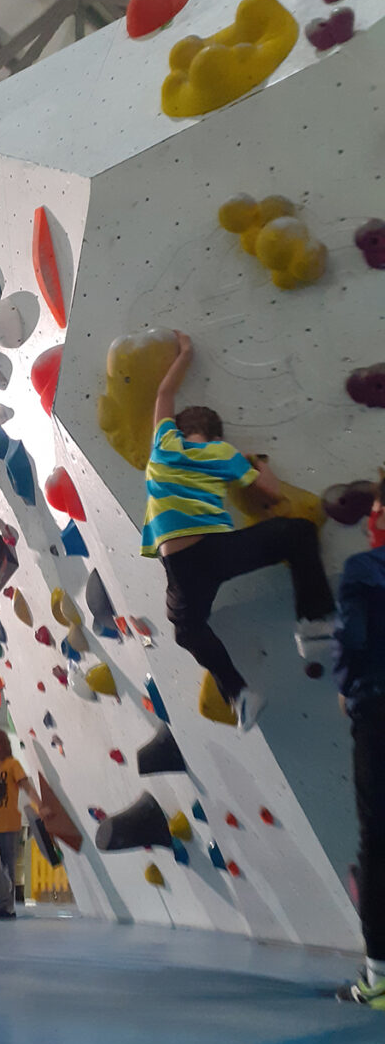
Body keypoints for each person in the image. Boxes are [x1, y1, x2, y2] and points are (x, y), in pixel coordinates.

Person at [142, 331, 335, 731]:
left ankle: (239, 694)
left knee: (187, 631)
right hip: (216, 552)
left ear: (178, 427)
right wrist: (260, 465)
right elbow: (271, 493)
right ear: (216, 435)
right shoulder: (222, 453)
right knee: (298, 533)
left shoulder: (163, 444)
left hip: (179, 568)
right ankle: (314, 623)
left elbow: (164, 392)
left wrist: (184, 352)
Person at [333, 478, 385, 1008]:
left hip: (378, 709)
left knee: (379, 841)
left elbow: (353, 637)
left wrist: (345, 686)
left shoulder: (365, 569)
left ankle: (380, 978)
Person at [0, 729, 47, 920]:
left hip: (10, 824)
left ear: (2, 743)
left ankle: (6, 908)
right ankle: (4, 900)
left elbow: (27, 788)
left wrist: (40, 806)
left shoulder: (13, 765)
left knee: (9, 867)